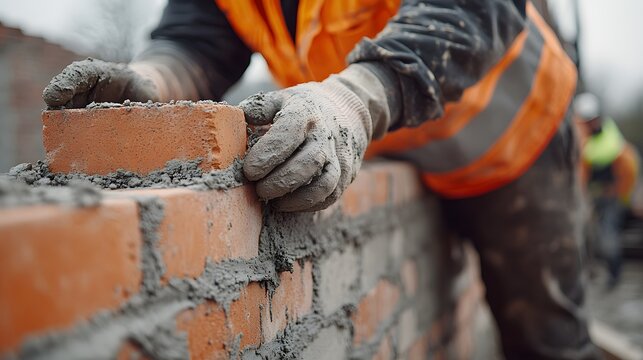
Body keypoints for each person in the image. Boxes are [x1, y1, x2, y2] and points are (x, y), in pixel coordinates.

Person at [43, 0, 598, 358]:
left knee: (544, 339)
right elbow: (200, 38)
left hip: (512, 145)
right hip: (401, 147)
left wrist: (355, 102)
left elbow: (471, 12)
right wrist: (155, 79)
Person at [574, 92, 640, 288]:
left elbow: (628, 169)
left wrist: (619, 194)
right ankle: (592, 272)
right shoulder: (586, 140)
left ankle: (614, 276)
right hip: (594, 197)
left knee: (608, 236)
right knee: (589, 236)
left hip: (611, 197)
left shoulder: (611, 143)